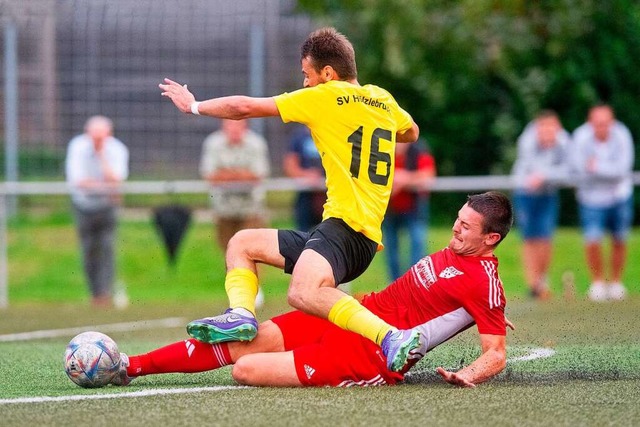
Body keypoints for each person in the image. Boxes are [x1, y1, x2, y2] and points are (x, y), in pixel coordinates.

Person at [159, 27, 421, 372]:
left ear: (328, 73)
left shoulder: (324, 97)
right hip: (341, 230)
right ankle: (241, 315)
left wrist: (192, 106)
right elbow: (411, 131)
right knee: (242, 244)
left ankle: (391, 337)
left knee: (302, 293)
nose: (306, 83)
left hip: (348, 230)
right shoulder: (382, 99)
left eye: (306, 75)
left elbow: (243, 107)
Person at [109, 191, 514, 388]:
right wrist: (482, 311)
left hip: (371, 355)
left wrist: (468, 374)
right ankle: (129, 366)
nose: (455, 228)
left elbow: (495, 351)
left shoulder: (484, 281)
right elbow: (464, 304)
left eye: (466, 225)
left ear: (491, 238)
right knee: (249, 340)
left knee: (245, 370)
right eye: (458, 219)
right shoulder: (460, 257)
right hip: (353, 313)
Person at [572, 104, 635, 302]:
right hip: (590, 197)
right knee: (592, 240)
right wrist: (607, 170)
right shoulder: (580, 137)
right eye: (598, 123)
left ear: (612, 122)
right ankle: (597, 283)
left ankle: (616, 283)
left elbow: (623, 169)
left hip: (619, 195)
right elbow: (579, 167)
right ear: (590, 123)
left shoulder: (622, 134)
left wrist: (596, 167)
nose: (602, 127)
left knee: (620, 238)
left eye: (606, 123)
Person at [65, 115, 129, 307]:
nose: (97, 141)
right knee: (89, 250)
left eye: (101, 137)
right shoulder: (77, 147)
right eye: (94, 136)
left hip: (107, 207)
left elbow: (117, 180)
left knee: (107, 248)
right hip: (83, 206)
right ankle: (94, 292)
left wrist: (101, 156)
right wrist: (106, 186)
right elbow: (78, 182)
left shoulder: (116, 149)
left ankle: (105, 293)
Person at [511, 110, 571, 300]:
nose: (547, 133)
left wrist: (546, 175)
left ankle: (542, 280)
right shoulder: (527, 140)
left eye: (551, 128)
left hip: (547, 193)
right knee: (529, 238)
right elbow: (531, 168)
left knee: (545, 237)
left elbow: (568, 169)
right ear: (537, 128)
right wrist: (546, 174)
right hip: (525, 192)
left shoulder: (564, 142)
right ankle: (533, 284)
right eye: (543, 128)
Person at [200, 119, 270, 251]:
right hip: (223, 209)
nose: (234, 129)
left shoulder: (256, 143)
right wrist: (243, 174)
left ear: (245, 126)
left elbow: (258, 175)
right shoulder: (213, 143)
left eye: (238, 124)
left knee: (253, 253)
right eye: (230, 125)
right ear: (223, 126)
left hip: (251, 209)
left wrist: (225, 174)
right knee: (228, 254)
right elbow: (210, 176)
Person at [382, 138, 436, 280]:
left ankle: (415, 283)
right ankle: (394, 286)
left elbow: (428, 175)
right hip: (390, 209)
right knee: (390, 249)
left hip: (414, 208)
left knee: (417, 245)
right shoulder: (382, 150)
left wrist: (404, 178)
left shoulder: (419, 150)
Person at [283, 125, 325, 232]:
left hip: (329, 195)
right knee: (302, 234)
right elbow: (289, 166)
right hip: (305, 196)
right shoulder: (298, 137)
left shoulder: (330, 134)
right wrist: (306, 175)